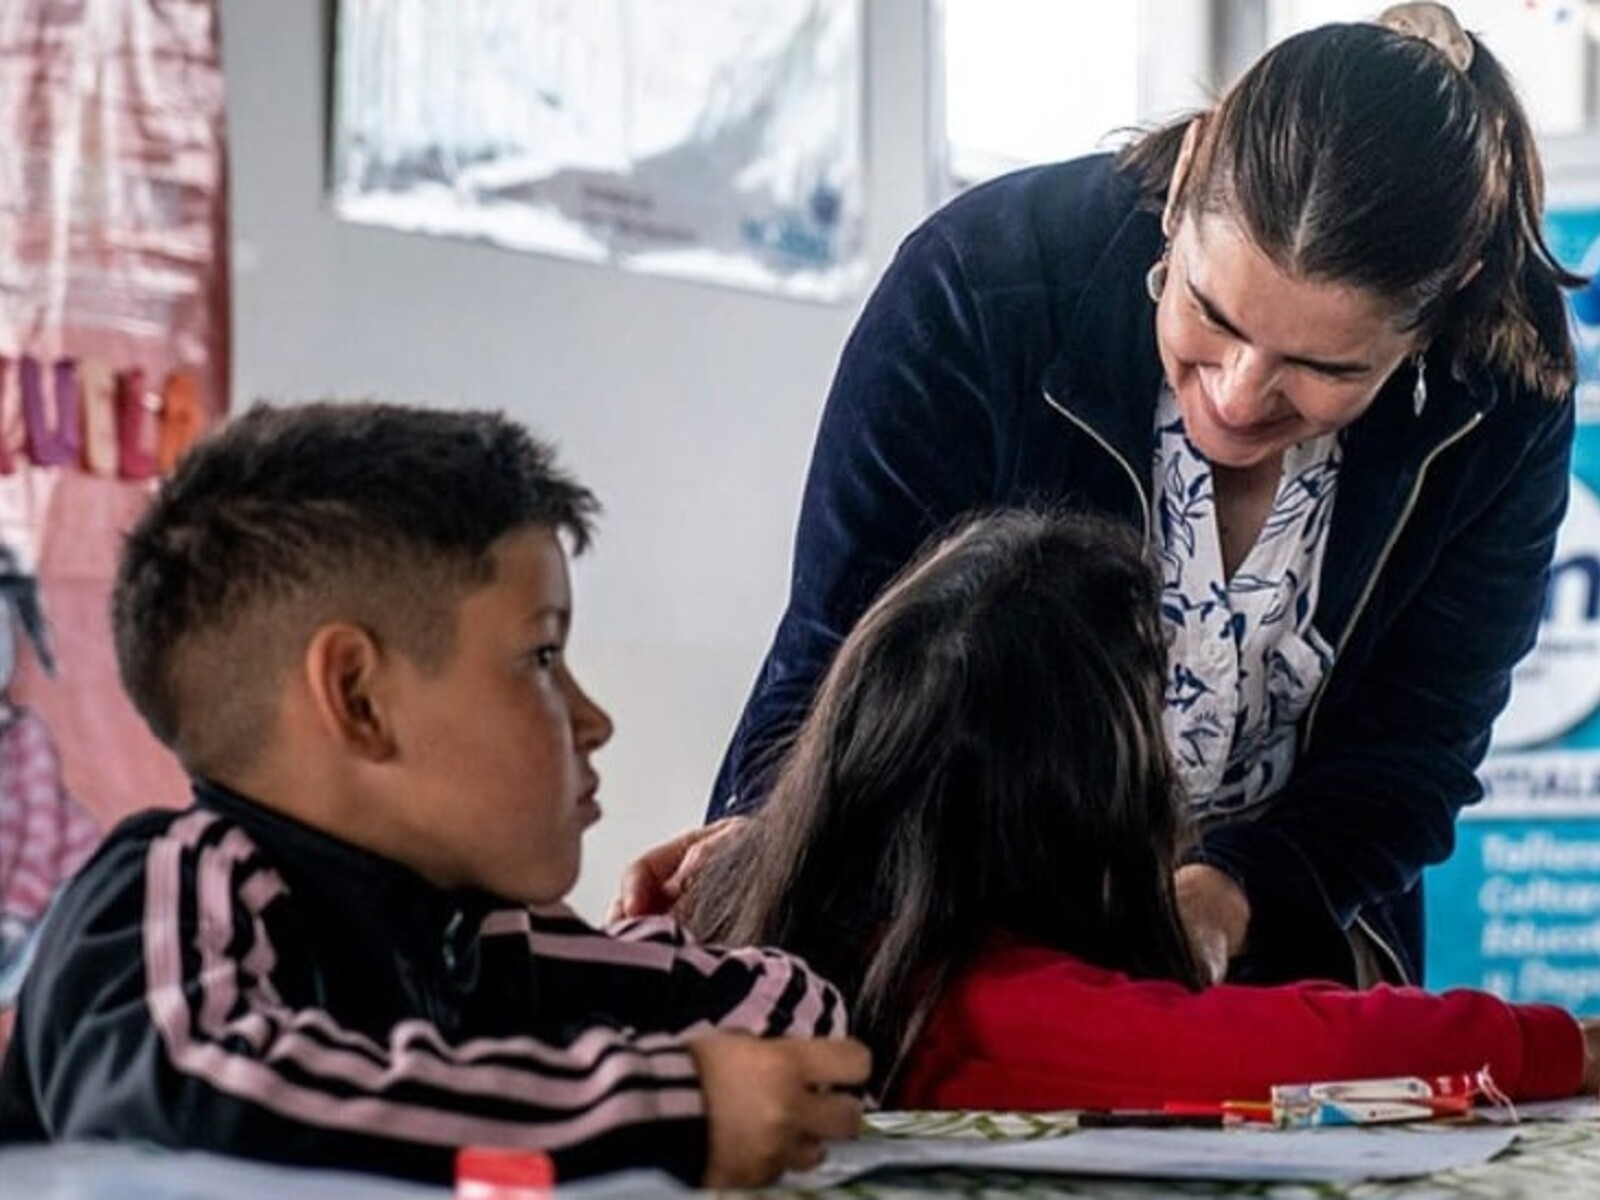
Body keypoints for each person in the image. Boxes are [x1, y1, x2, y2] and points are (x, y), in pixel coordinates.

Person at [618, 3, 1586, 991]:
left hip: (1278, 948)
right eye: (1210, 312)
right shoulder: (981, 285)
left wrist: (1223, 899)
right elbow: (839, 654)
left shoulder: (1501, 389)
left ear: (1444, 304)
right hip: (945, 934)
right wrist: (758, 843)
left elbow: (1410, 756)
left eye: (1321, 367)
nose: (1239, 393)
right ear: (1189, 174)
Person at [0, 402, 869, 1189]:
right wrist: (655, 1110)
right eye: (540, 658)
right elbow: (191, 1098)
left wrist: (705, 1078)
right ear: (359, 698)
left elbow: (787, 1014)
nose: (593, 720)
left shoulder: (481, 931)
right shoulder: (174, 881)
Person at [679, 508, 1599, 1108]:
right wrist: (1566, 1045)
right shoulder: (987, 1005)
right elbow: (1324, 1044)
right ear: (1084, 795)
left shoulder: (731, 928)